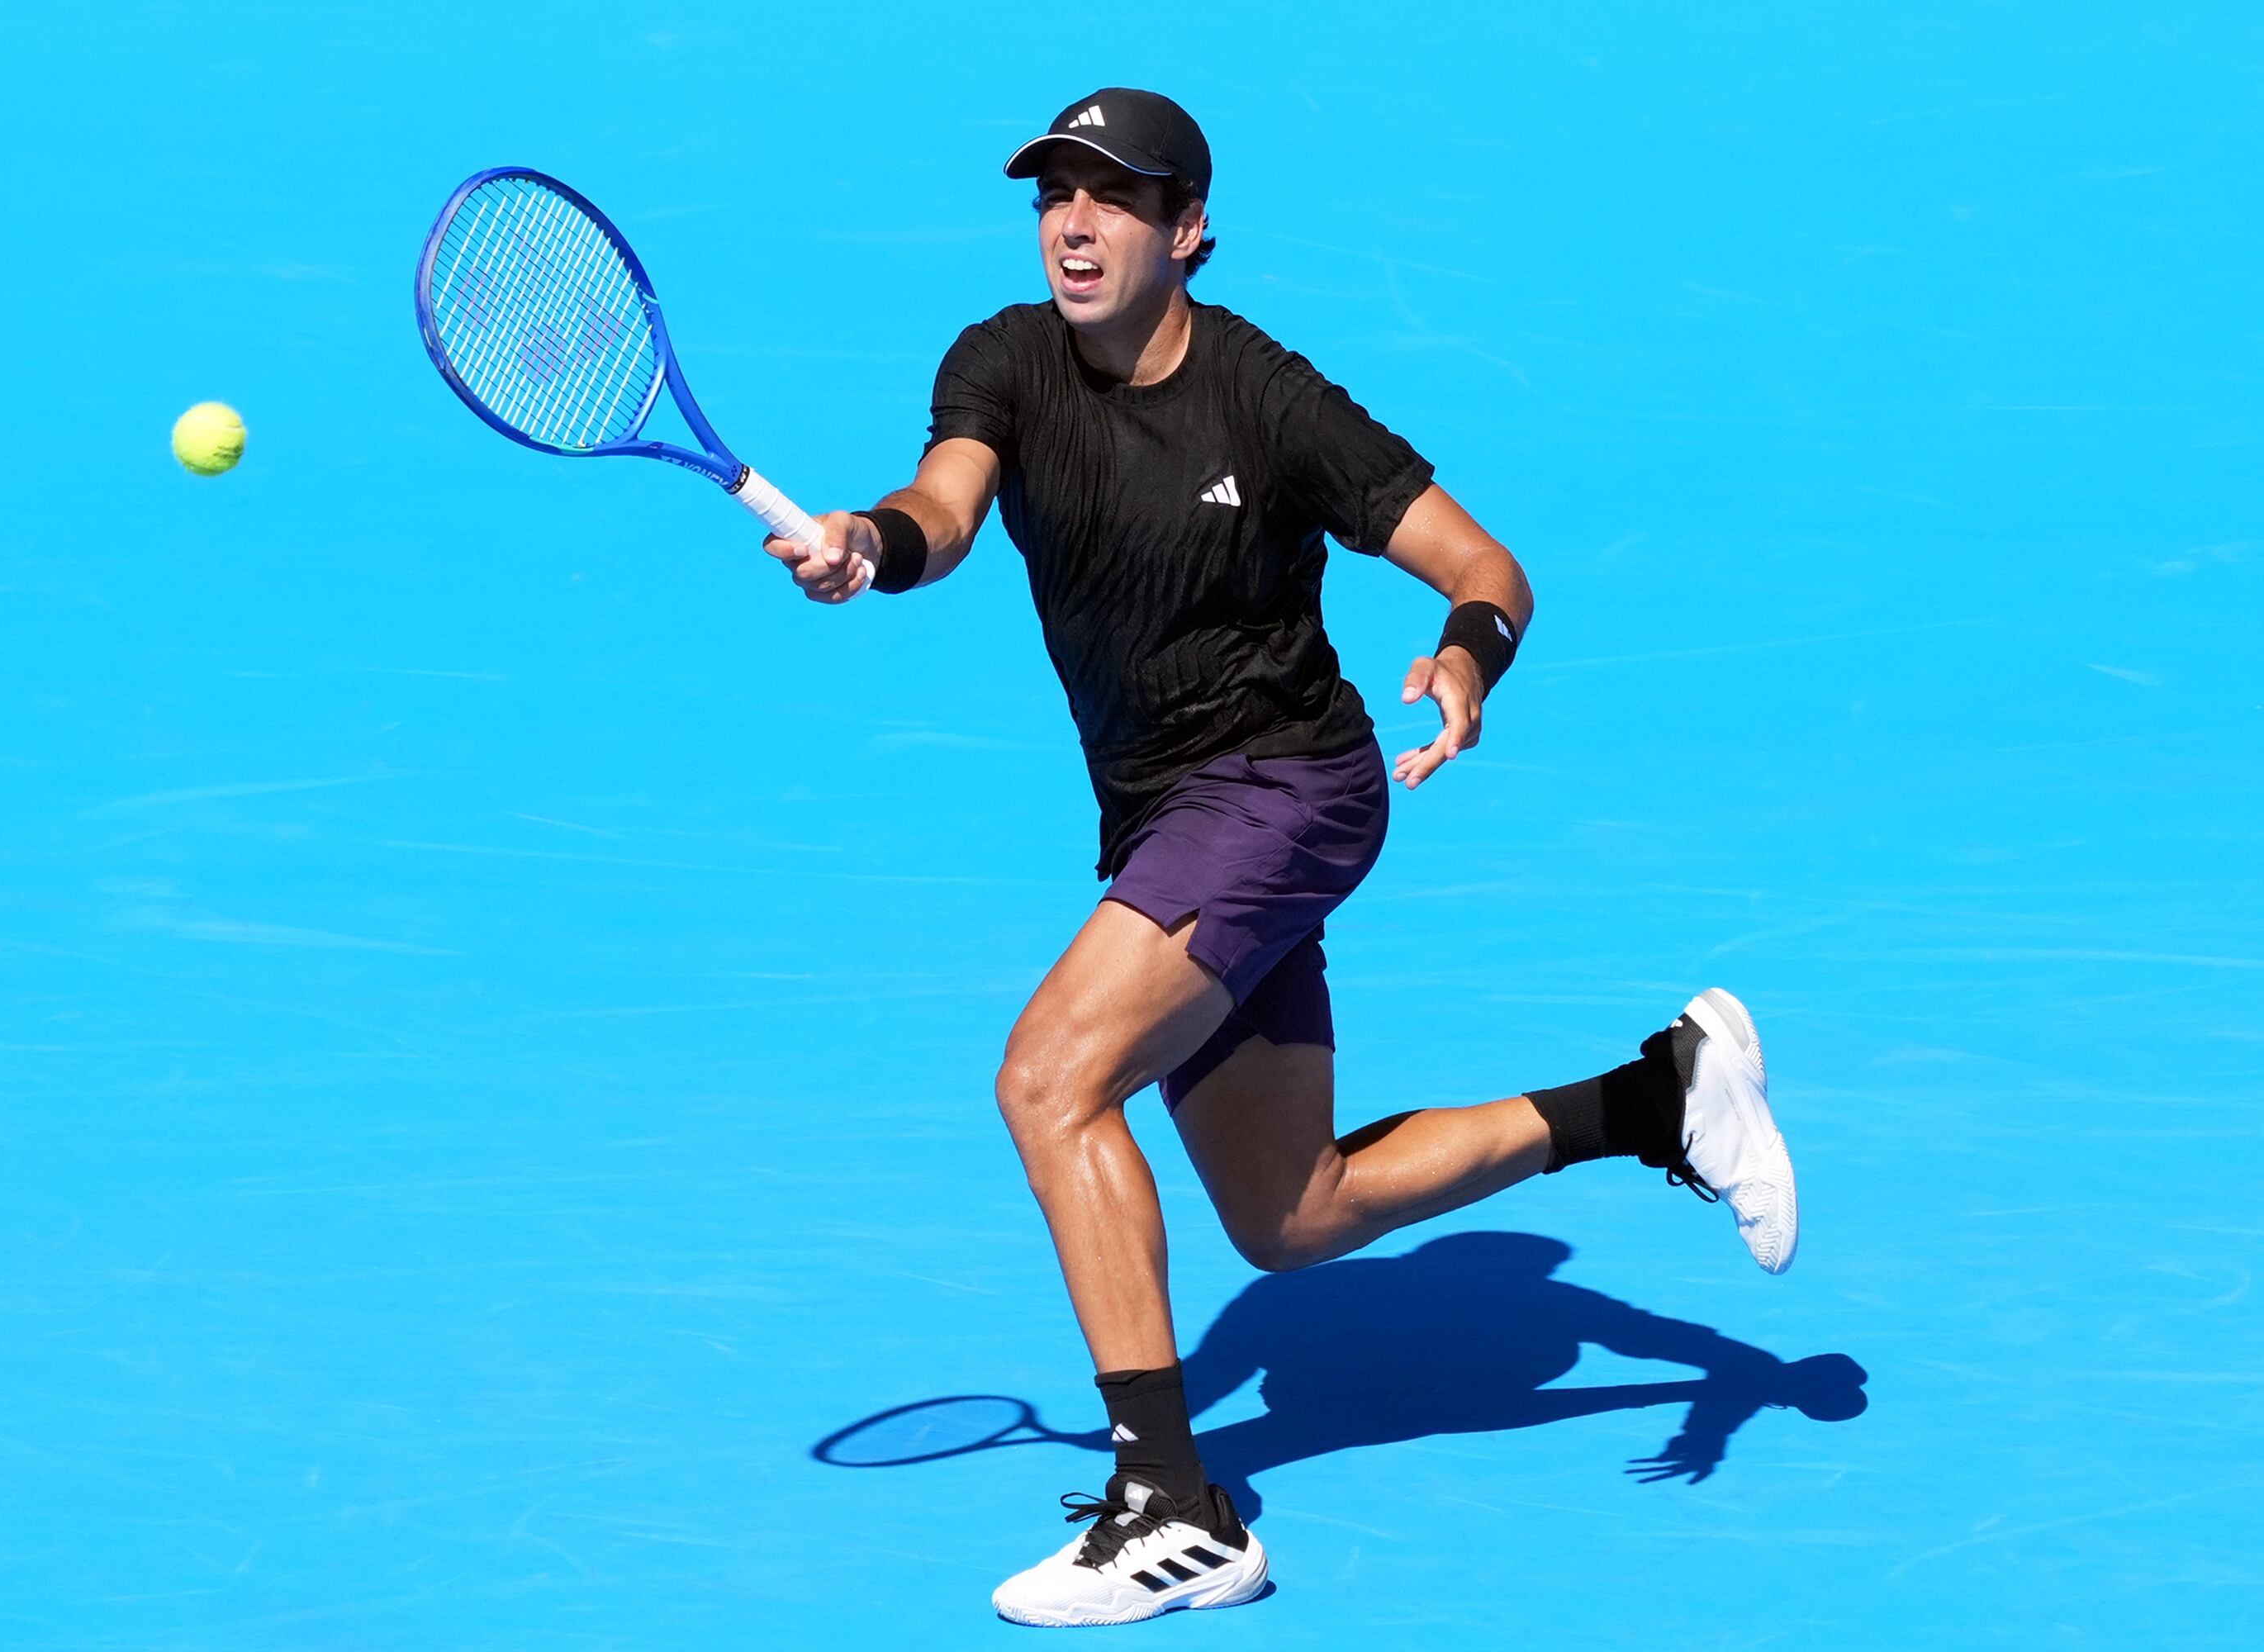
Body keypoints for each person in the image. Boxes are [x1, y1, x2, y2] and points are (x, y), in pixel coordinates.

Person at [765, 88, 1799, 1629]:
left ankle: (1175, 1509)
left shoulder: (1271, 401)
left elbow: (1485, 568)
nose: (1074, 221)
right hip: (1163, 816)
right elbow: (947, 508)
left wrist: (1465, 661)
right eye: (1055, 191)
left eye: (1115, 197)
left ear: (1188, 232)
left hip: (1287, 789)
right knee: (1291, 1217)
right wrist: (871, 540)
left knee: (1051, 1080)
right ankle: (1654, 1096)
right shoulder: (1002, 360)